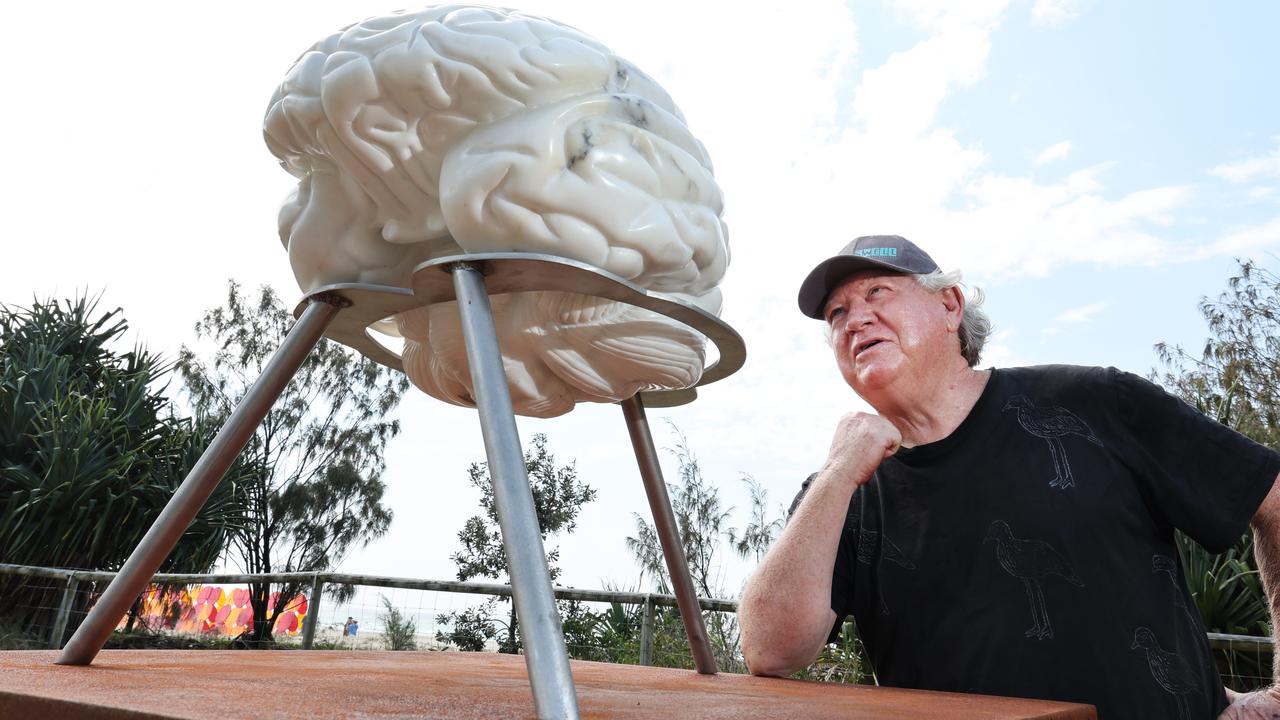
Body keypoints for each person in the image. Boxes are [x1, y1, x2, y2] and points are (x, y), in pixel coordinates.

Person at [737, 235, 1280, 719]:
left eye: (877, 292)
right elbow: (769, 650)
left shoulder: (1096, 403)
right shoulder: (842, 495)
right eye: (836, 314)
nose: (853, 319)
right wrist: (835, 475)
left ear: (949, 306)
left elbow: (1271, 497)